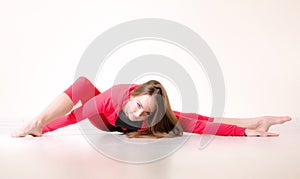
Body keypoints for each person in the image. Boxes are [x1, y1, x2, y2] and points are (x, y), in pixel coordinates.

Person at [12, 76, 291, 138]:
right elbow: (75, 117)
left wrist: (246, 130)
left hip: (114, 119)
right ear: (132, 94)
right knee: (83, 84)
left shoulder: (154, 115)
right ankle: (37, 121)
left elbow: (201, 125)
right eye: (138, 106)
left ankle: (257, 120)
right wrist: (42, 128)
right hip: (104, 119)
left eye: (146, 112)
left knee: (190, 118)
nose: (139, 114)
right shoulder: (110, 98)